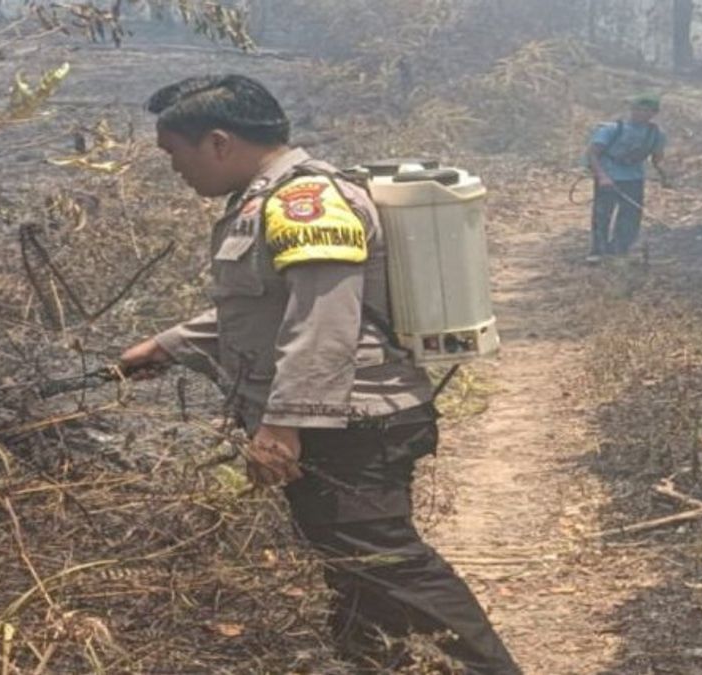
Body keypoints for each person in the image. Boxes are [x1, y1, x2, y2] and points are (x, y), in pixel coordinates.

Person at [119, 74, 520, 674]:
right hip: (341, 418)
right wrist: (170, 344)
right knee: (353, 568)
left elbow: (324, 320)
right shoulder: (268, 199)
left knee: (389, 562)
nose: (175, 168)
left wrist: (282, 426)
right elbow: (268, 303)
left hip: (352, 423)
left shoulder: (305, 202)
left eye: (174, 152)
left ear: (220, 142)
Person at [585, 93, 669, 263]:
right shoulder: (612, 129)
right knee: (602, 215)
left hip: (634, 178)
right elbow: (592, 153)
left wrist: (664, 174)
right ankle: (598, 251)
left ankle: (619, 251)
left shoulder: (656, 134)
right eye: (639, 109)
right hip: (608, 176)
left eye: (648, 110)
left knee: (630, 216)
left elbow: (657, 157)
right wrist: (602, 177)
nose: (642, 113)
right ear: (632, 110)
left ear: (654, 113)